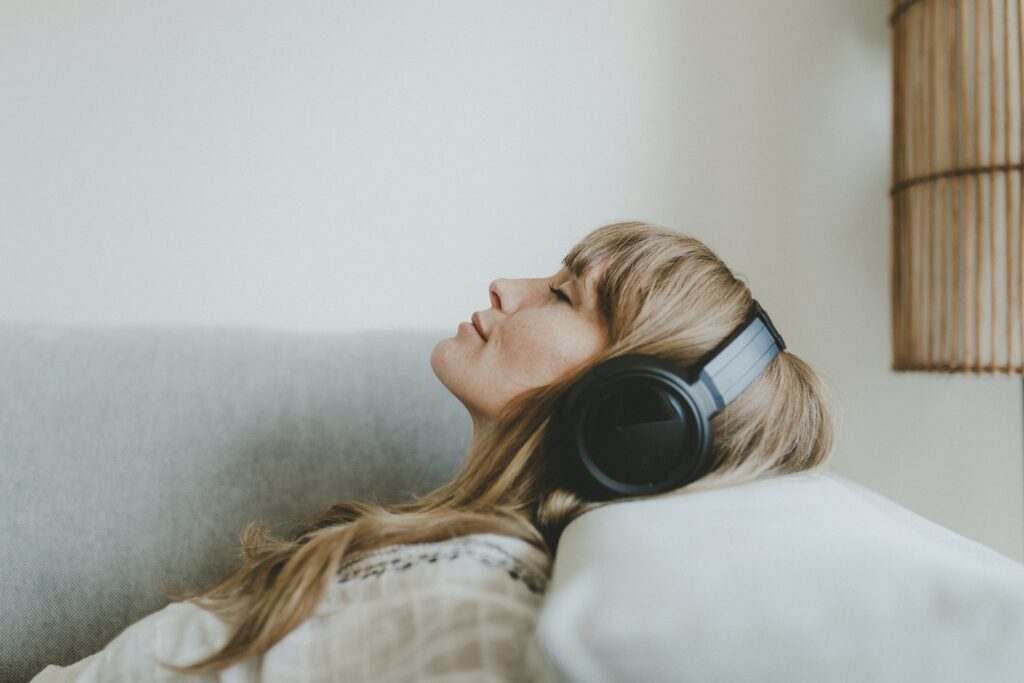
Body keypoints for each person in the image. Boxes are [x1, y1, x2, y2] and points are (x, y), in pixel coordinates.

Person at [31, 220, 836, 681]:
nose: (504, 286)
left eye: (561, 294)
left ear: (635, 415)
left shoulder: (488, 614)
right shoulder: (441, 550)